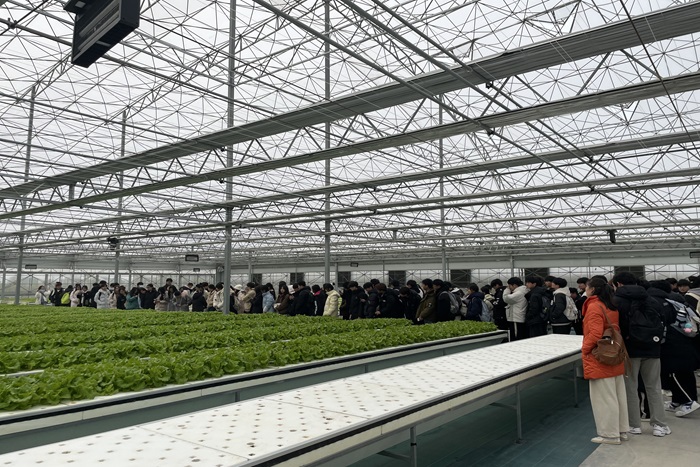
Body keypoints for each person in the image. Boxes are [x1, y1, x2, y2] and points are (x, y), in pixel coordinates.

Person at [612, 271, 671, 437]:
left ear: (618, 284)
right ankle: (659, 425)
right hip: (653, 348)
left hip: (629, 350)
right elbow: (664, 320)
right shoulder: (651, 299)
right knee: (654, 387)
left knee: (630, 387)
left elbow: (615, 326)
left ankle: (634, 425)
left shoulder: (617, 301)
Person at [581, 277, 629, 445]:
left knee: (604, 398)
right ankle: (621, 430)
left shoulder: (594, 306)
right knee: (617, 396)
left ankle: (609, 435)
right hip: (613, 354)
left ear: (593, 289)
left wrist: (585, 350)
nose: (585, 290)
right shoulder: (610, 305)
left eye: (586, 287)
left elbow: (594, 334)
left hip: (600, 357)